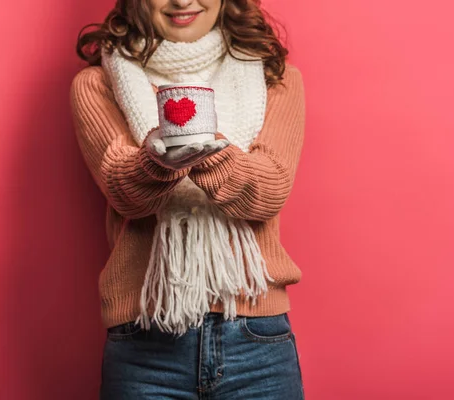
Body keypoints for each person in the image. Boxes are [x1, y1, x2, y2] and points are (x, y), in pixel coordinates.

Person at [70, 0, 306, 398]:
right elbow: (123, 190)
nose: (182, 1)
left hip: (257, 340)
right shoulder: (99, 83)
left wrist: (208, 152)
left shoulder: (273, 77)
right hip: (146, 341)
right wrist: (158, 161)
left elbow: (269, 190)